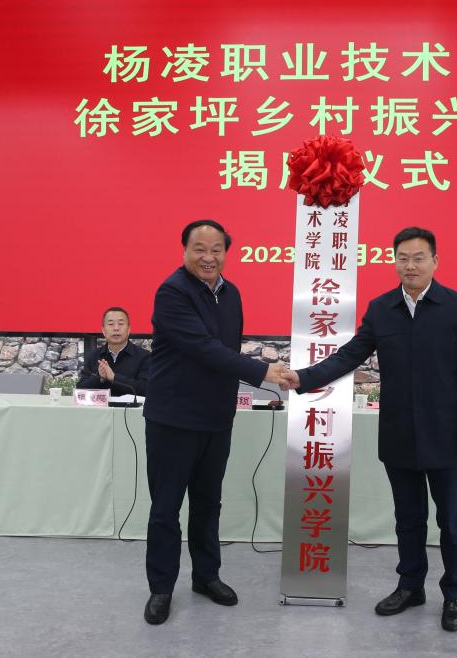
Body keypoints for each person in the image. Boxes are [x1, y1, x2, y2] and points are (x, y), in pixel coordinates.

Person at [283, 227, 457, 633]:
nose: (410, 265)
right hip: (399, 432)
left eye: (418, 258)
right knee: (408, 519)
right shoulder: (381, 309)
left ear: (435, 261)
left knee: (452, 521)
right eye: (402, 258)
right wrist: (303, 377)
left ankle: (454, 594)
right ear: (394, 262)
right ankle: (410, 586)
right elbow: (349, 356)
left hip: (446, 434)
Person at [142, 219, 289, 626]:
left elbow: (227, 350)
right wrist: (263, 371)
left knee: (208, 503)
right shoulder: (172, 292)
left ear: (226, 252)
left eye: (217, 250)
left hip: (216, 418)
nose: (208, 257)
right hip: (173, 419)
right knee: (166, 508)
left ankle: (206, 576)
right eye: (200, 249)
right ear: (184, 250)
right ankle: (161, 588)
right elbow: (203, 348)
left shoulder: (232, 293)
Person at [76, 306, 150, 397]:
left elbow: (147, 389)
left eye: (121, 324)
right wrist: (99, 378)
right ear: (103, 331)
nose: (116, 328)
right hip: (101, 407)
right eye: (111, 324)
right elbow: (80, 390)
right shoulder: (93, 356)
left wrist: (114, 378)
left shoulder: (144, 356)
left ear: (128, 330)